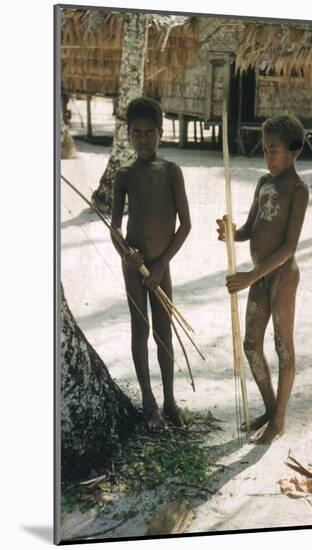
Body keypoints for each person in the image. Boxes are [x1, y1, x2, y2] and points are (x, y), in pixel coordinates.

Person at [216, 114, 309, 445]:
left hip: (282, 276)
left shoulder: (298, 190)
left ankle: (279, 420)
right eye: (265, 151)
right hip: (258, 277)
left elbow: (289, 247)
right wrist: (231, 233)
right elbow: (249, 230)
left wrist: (250, 276)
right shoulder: (262, 184)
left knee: (283, 346)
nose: (267, 158)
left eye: (274, 151)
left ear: (294, 151)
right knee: (251, 344)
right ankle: (271, 409)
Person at [111, 97, 191, 431]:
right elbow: (115, 228)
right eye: (136, 133)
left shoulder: (172, 172)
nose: (143, 140)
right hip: (134, 266)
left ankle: (170, 401)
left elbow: (185, 224)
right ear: (128, 135)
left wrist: (161, 265)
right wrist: (125, 252)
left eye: (150, 133)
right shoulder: (124, 175)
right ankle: (148, 401)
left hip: (161, 267)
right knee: (140, 330)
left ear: (161, 133)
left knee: (164, 334)